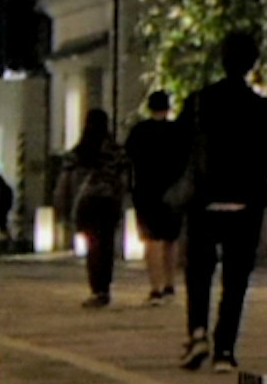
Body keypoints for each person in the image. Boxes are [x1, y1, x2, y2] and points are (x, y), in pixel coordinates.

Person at [181, 31, 267, 371]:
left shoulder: (198, 101)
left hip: (204, 200)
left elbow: (183, 149)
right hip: (245, 200)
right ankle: (225, 349)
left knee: (199, 271)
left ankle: (197, 333)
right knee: (236, 278)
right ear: (252, 63)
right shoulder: (262, 108)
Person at [56, 108, 128, 308]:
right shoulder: (116, 152)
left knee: (93, 247)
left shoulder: (79, 151)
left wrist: (63, 205)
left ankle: (96, 289)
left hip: (87, 203)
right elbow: (124, 179)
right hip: (109, 202)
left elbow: (65, 180)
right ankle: (105, 287)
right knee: (107, 245)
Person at [127, 89, 192, 310]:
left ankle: (155, 288)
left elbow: (130, 159)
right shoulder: (178, 132)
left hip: (146, 191)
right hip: (172, 193)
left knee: (151, 240)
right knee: (170, 240)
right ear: (168, 107)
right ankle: (170, 284)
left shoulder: (139, 132)